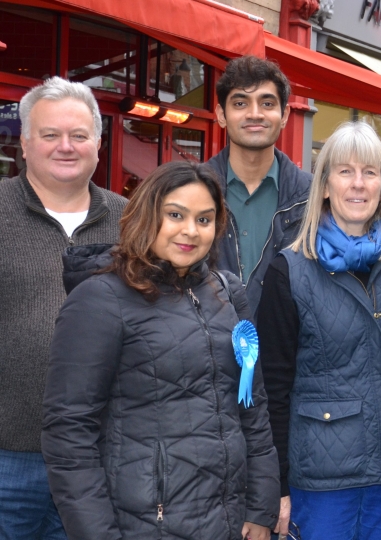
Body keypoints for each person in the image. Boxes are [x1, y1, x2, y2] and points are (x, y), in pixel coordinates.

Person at [41, 161, 280, 540]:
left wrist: (261, 508)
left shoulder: (228, 291)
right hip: (143, 524)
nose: (190, 231)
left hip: (230, 521)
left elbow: (252, 405)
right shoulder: (100, 299)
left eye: (204, 219)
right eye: (175, 215)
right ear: (146, 214)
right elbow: (69, 432)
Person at [258, 121, 381, 540]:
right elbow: (272, 386)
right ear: (325, 184)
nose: (358, 184)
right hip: (322, 484)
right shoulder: (289, 270)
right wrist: (275, 487)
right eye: (345, 172)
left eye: (370, 173)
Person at [0, 77, 126, 540]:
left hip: (104, 458)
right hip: (7, 459)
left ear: (98, 143)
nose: (65, 147)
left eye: (78, 135)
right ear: (26, 144)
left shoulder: (133, 222)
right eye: (50, 135)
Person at [208, 55, 312, 316]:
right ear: (222, 114)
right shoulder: (189, 192)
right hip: (203, 350)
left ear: (284, 114)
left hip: (285, 352)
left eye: (267, 103)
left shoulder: (314, 198)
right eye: (240, 103)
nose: (255, 114)